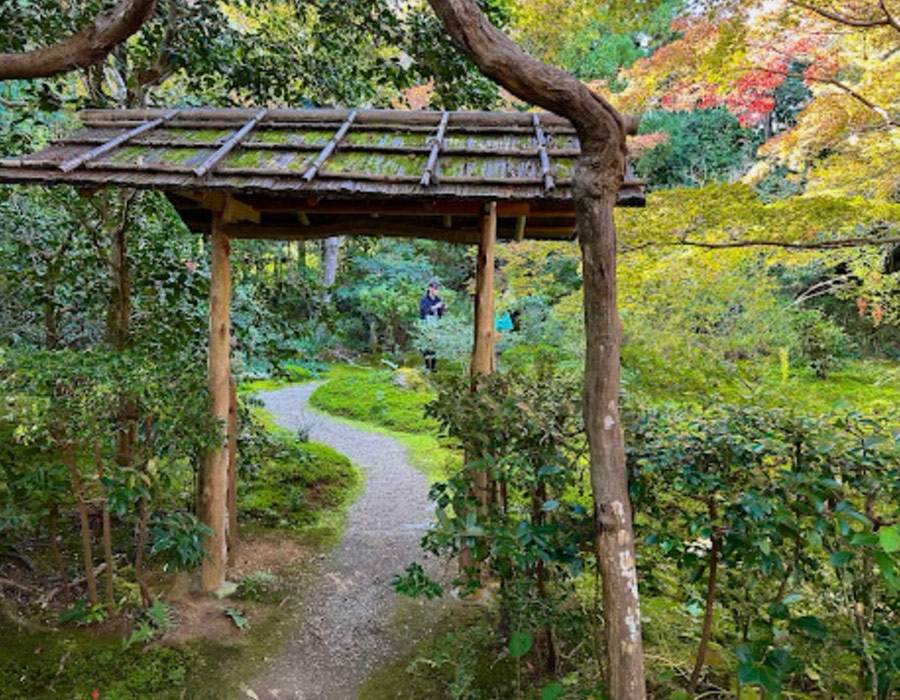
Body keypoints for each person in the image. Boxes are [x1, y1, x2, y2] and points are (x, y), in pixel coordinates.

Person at [419, 281, 444, 371]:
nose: (435, 291)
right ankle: (426, 365)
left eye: (436, 289)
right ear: (429, 288)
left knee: (434, 345)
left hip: (436, 324)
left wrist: (441, 308)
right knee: (426, 345)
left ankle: (433, 366)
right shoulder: (424, 299)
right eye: (433, 288)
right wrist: (434, 307)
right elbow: (424, 311)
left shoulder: (438, 299)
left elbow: (441, 313)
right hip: (426, 324)